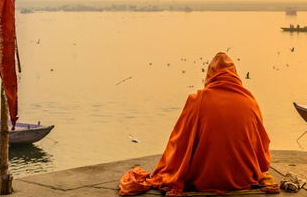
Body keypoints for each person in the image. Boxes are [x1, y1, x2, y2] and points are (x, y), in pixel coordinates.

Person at [119, 52, 278, 196]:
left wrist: (171, 168)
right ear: (235, 74)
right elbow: (260, 146)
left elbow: (180, 142)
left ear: (210, 74)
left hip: (203, 178)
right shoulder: (249, 100)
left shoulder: (198, 99)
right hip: (243, 176)